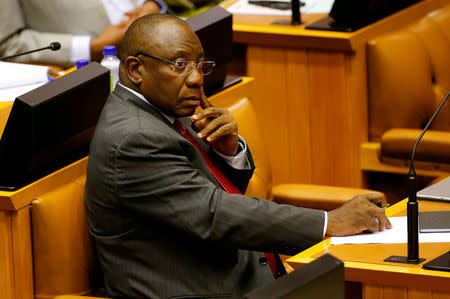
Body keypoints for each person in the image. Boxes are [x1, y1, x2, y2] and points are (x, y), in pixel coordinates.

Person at [85, 13, 392, 299]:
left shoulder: (159, 108)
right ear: (136, 69)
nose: (196, 79)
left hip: (239, 274)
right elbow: (215, 214)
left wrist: (227, 150)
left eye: (199, 65)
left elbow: (207, 192)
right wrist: (329, 221)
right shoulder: (133, 138)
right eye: (179, 64)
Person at [0, 0, 166, 67]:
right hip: (98, 74)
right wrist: (91, 48)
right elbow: (8, 44)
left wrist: (152, 3)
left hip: (163, 38)